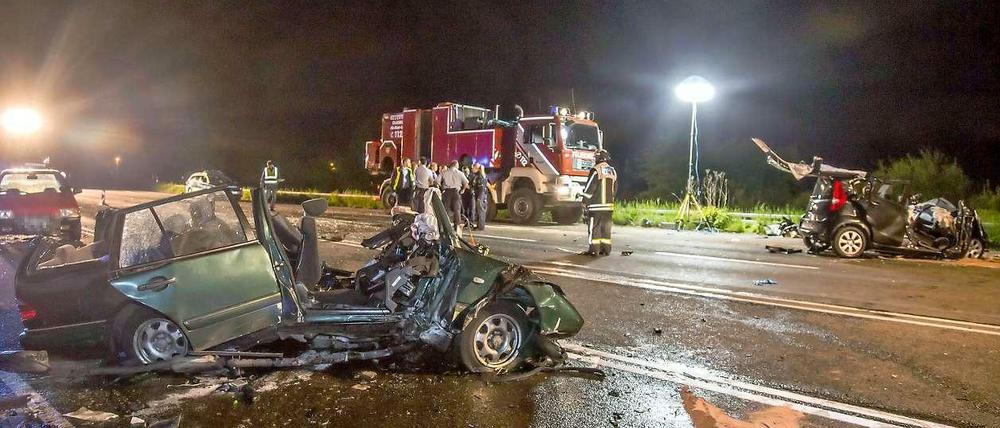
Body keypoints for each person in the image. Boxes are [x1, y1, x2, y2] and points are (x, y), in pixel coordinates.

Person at [580, 149, 617, 256]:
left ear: (597, 158)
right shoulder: (612, 171)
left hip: (596, 206)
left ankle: (594, 249)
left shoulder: (596, 170)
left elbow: (590, 187)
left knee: (594, 228)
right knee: (606, 228)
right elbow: (615, 188)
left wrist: (584, 201)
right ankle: (605, 250)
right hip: (609, 206)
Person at [440, 160, 469, 228]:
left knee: (445, 210)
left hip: (446, 192)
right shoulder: (460, 173)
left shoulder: (444, 172)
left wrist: (442, 188)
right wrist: (463, 190)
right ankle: (457, 227)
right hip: (456, 192)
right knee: (457, 210)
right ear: (456, 165)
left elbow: (437, 181)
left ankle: (445, 227)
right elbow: (466, 183)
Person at [468, 162, 489, 231]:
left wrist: (479, 198)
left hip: (481, 196)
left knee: (480, 211)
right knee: (479, 211)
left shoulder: (480, 176)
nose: (472, 169)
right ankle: (479, 225)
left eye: (473, 168)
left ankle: (481, 226)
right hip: (479, 195)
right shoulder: (477, 175)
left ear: (477, 168)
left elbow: (481, 188)